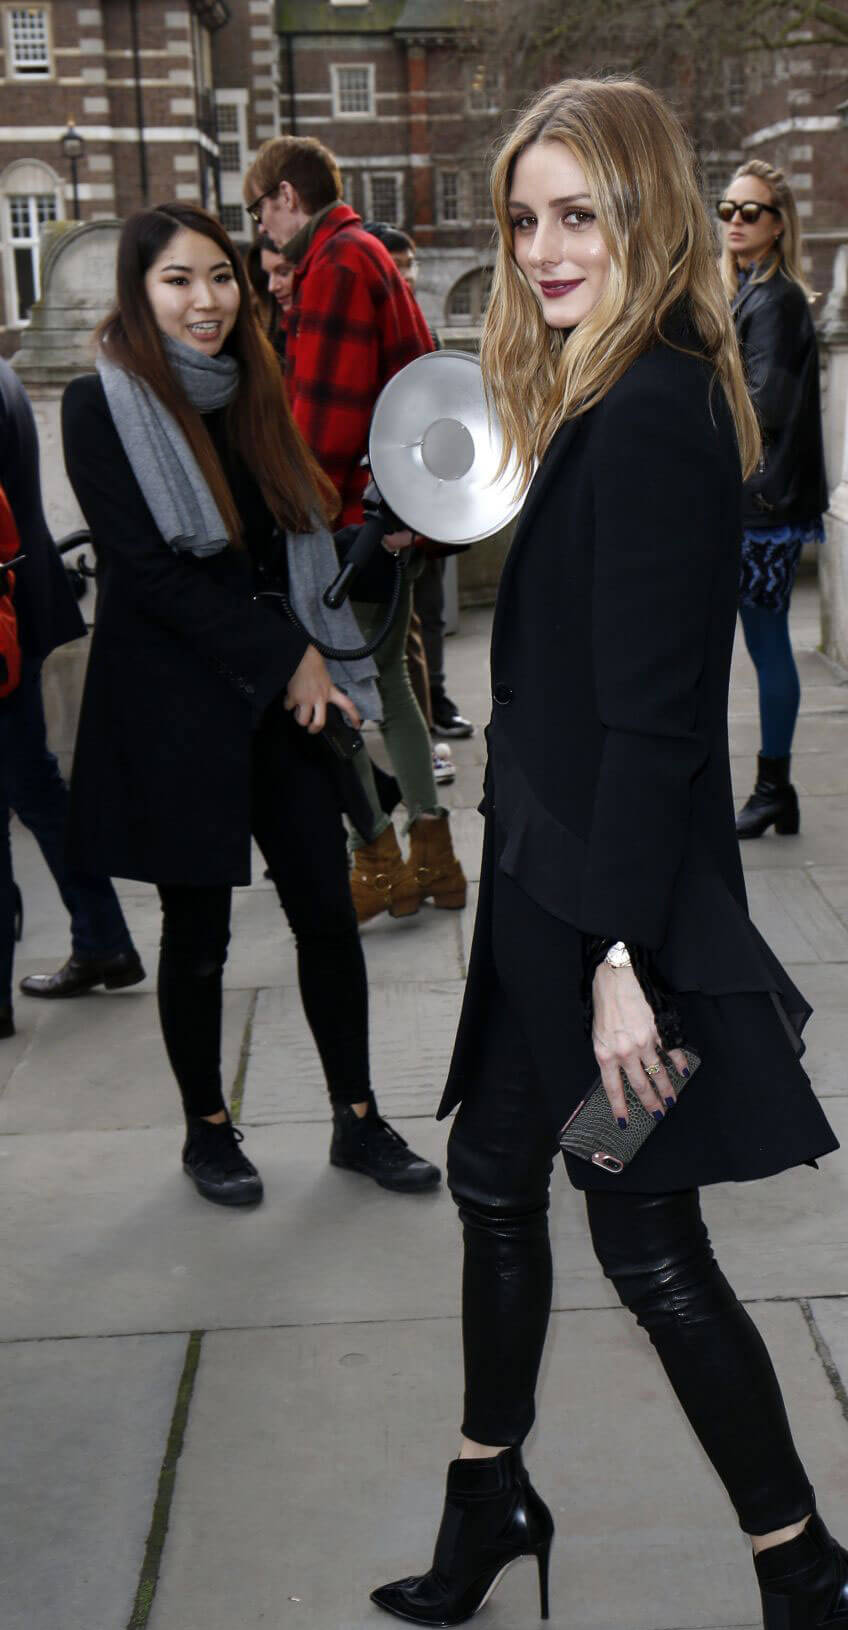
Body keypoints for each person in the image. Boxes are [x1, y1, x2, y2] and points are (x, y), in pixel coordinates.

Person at [367, 77, 848, 1630]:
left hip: (597, 897)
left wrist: (617, 964)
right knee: (491, 1180)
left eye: (576, 214)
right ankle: (487, 1499)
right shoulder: (606, 390)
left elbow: (666, 722)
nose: (540, 248)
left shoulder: (662, 406)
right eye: (524, 218)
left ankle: (806, 1569)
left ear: (650, 216)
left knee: (648, 1240)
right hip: (543, 867)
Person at [61, 202, 441, 1205]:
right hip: (179, 704)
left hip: (283, 703)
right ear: (140, 293)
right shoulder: (100, 404)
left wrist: (365, 549)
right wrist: (292, 661)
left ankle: (357, 1119)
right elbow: (148, 575)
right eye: (179, 281)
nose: (207, 300)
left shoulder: (252, 382)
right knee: (199, 936)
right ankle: (208, 1130)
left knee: (326, 911)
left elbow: (291, 529)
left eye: (221, 277)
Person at [242, 138, 465, 925]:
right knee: (396, 690)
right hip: (390, 512)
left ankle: (378, 864)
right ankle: (434, 860)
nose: (262, 228)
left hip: (348, 525)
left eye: (258, 208)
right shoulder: (365, 250)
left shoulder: (334, 263)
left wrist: (277, 513)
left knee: (330, 695)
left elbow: (321, 427)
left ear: (285, 197)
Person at [0, 357, 143, 1036]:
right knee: (35, 791)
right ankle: (101, 937)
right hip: (18, 610)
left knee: (32, 793)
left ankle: (97, 939)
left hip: (5, 619)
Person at [718, 160, 827, 840]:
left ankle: (773, 787)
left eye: (751, 211)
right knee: (759, 642)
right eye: (728, 208)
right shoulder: (746, 292)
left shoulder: (778, 299)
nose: (734, 220)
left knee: (766, 643)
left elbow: (765, 406)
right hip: (750, 501)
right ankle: (771, 792)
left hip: (763, 508)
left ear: (780, 225)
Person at [362, 219, 476, 748]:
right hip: (383, 501)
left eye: (411, 266)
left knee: (428, 613)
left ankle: (436, 698)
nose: (406, 276)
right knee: (400, 626)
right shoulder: (373, 327)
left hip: (428, 495)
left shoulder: (417, 326)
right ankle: (418, 719)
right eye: (396, 266)